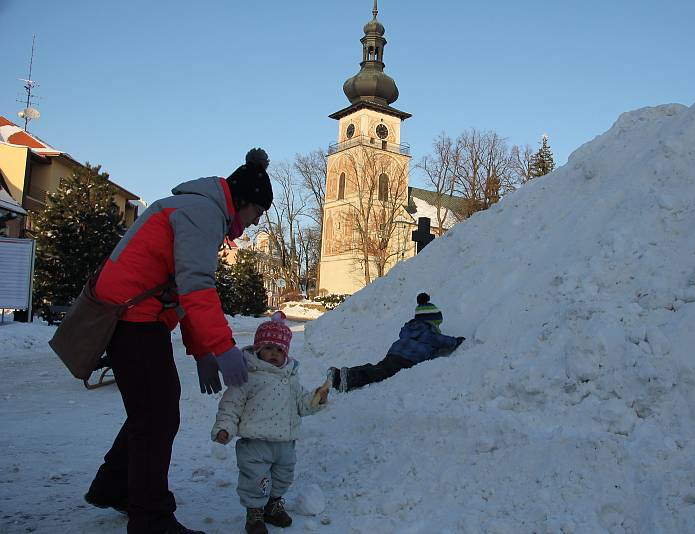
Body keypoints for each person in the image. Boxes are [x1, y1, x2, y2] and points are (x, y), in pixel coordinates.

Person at [84, 148, 273, 534]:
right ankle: (151, 520)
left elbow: (180, 288)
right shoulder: (202, 214)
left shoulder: (196, 209)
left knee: (150, 412)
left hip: (135, 316)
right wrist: (222, 348)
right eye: (256, 213)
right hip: (131, 317)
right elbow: (196, 288)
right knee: (157, 416)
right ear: (242, 201)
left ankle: (115, 486)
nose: (253, 223)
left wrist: (202, 349)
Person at [212, 311, 329, 534]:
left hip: (285, 443)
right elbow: (231, 405)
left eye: (279, 350)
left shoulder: (291, 377)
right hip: (255, 443)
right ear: (257, 349)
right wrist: (224, 428)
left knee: (283, 477)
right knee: (255, 479)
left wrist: (315, 399)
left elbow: (301, 405)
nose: (274, 354)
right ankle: (255, 512)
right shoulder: (247, 375)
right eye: (268, 348)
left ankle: (273, 506)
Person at [328, 293, 465, 392]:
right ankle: (351, 377)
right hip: (406, 360)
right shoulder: (429, 332)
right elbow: (442, 341)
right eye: (437, 324)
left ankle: (340, 375)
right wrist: (456, 341)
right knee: (380, 373)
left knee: (377, 367)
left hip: (394, 352)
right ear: (431, 321)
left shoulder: (409, 328)